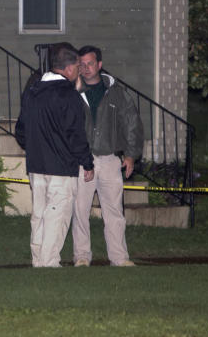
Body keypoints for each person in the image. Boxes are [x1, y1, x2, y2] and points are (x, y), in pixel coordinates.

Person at [15, 43, 94, 267]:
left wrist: (34, 147)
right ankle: (49, 263)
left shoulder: (33, 92)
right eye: (78, 67)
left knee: (39, 215)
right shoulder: (68, 95)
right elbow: (75, 134)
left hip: (36, 165)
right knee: (56, 216)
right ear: (70, 68)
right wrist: (87, 162)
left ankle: (38, 260)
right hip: (61, 167)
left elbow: (21, 130)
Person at [71, 45, 144, 267]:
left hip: (111, 159)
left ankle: (119, 257)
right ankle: (82, 256)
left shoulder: (116, 92)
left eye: (90, 63)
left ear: (100, 65)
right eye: (81, 64)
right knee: (80, 210)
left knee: (114, 211)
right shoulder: (72, 91)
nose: (85, 68)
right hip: (83, 160)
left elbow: (132, 123)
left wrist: (131, 155)